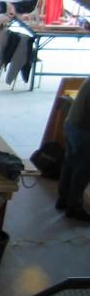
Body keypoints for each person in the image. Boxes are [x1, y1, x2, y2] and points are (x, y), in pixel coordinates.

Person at [58, 77, 90, 221]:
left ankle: (63, 200)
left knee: (70, 164)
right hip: (84, 130)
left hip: (71, 125)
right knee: (83, 170)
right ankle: (74, 207)